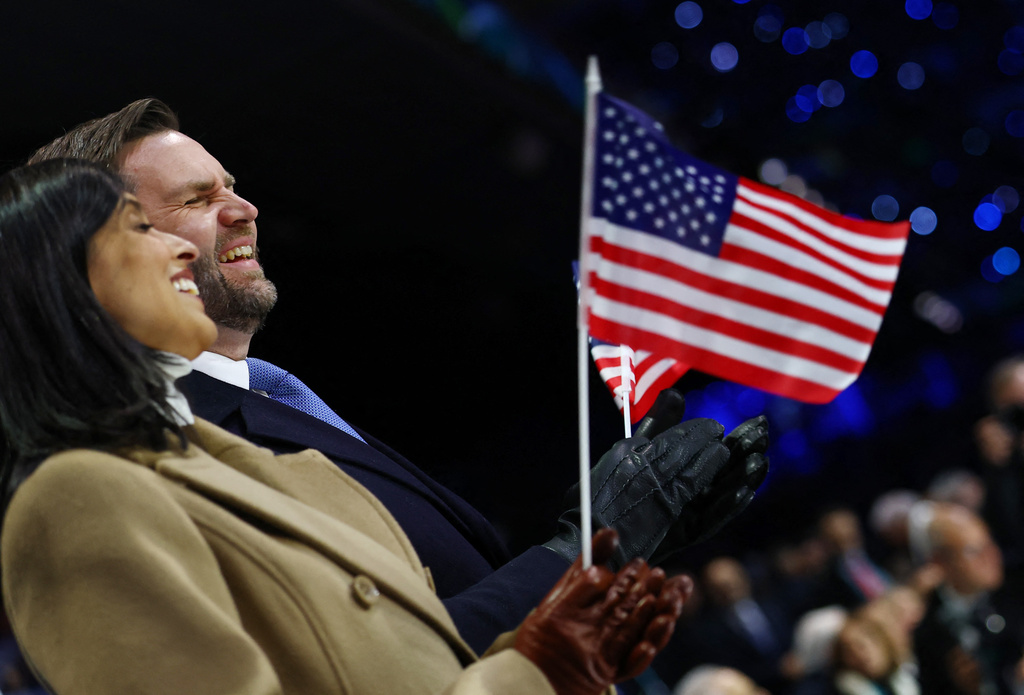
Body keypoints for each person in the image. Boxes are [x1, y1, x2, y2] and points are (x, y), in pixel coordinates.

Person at [27, 98, 770, 652]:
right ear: (100, 257)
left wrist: (627, 542)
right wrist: (585, 546)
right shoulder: (151, 455)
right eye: (196, 200)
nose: (245, 210)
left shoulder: (268, 396)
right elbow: (380, 666)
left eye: (230, 185)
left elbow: (442, 602)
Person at [909, 502, 1024, 695]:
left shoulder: (1015, 591)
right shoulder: (925, 628)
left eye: (990, 543)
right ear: (940, 561)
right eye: (974, 551)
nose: (992, 555)